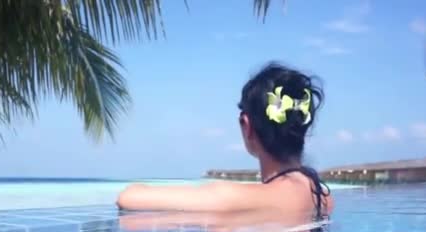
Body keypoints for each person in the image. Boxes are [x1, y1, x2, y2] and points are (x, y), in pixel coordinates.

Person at [116, 62, 332, 221]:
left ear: (247, 126)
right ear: (304, 124)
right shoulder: (323, 197)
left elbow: (128, 198)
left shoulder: (233, 199)